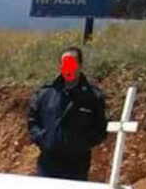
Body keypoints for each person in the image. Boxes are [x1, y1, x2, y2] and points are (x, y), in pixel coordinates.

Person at [27, 46, 108, 181]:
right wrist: (43, 139)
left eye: (72, 63)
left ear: (80, 66)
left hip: (77, 166)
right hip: (48, 165)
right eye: (65, 63)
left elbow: (101, 129)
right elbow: (32, 121)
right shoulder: (46, 94)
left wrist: (82, 144)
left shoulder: (92, 97)